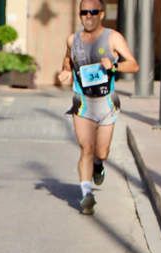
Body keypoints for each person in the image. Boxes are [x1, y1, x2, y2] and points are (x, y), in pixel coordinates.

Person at [58, 0, 138, 215]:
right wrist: (65, 73)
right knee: (86, 148)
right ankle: (86, 195)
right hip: (82, 101)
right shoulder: (72, 40)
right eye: (84, 12)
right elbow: (67, 63)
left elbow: (134, 64)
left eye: (93, 12)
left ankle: (99, 165)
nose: (88, 16)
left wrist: (114, 65)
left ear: (101, 14)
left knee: (101, 152)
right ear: (80, 15)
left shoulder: (113, 37)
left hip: (106, 103)